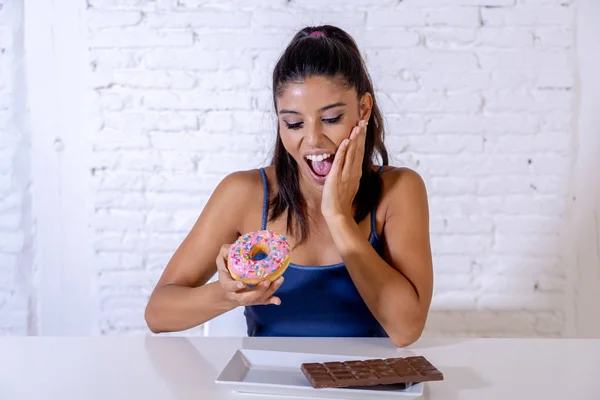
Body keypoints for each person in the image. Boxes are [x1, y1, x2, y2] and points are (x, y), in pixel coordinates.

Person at [144, 25, 433, 347]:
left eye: (332, 118)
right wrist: (230, 294)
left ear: (363, 109)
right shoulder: (243, 193)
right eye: (293, 123)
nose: (311, 140)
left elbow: (406, 330)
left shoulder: (398, 190)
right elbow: (158, 315)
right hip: (268, 386)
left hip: (364, 389)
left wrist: (338, 216)